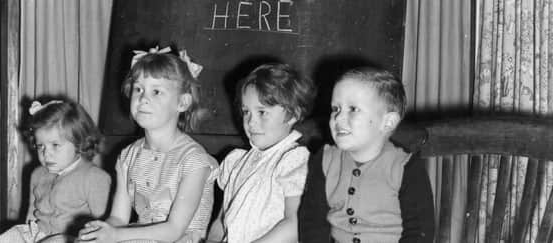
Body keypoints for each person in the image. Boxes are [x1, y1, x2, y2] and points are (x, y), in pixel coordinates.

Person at [78, 46, 217, 243]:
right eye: (138, 89)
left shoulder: (193, 160)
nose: (143, 98)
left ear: (182, 103)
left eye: (157, 91)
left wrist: (117, 235)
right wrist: (100, 232)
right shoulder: (128, 155)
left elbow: (174, 230)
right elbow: (119, 217)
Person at [298, 67, 435, 243]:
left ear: (387, 122)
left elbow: (420, 233)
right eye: (335, 108)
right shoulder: (324, 160)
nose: (338, 118)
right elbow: (312, 223)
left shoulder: (405, 167)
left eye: (353, 109)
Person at [207, 63, 316, 243]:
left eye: (262, 112)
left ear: (294, 114)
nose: (251, 122)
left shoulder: (293, 160)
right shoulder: (237, 162)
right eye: (246, 112)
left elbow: (294, 223)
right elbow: (221, 220)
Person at [0, 98, 111, 243]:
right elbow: (32, 215)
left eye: (55, 145)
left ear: (79, 142)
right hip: (38, 235)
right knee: (8, 237)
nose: (46, 153)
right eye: (40, 146)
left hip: (75, 239)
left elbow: (106, 227)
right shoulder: (37, 174)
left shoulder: (94, 177)